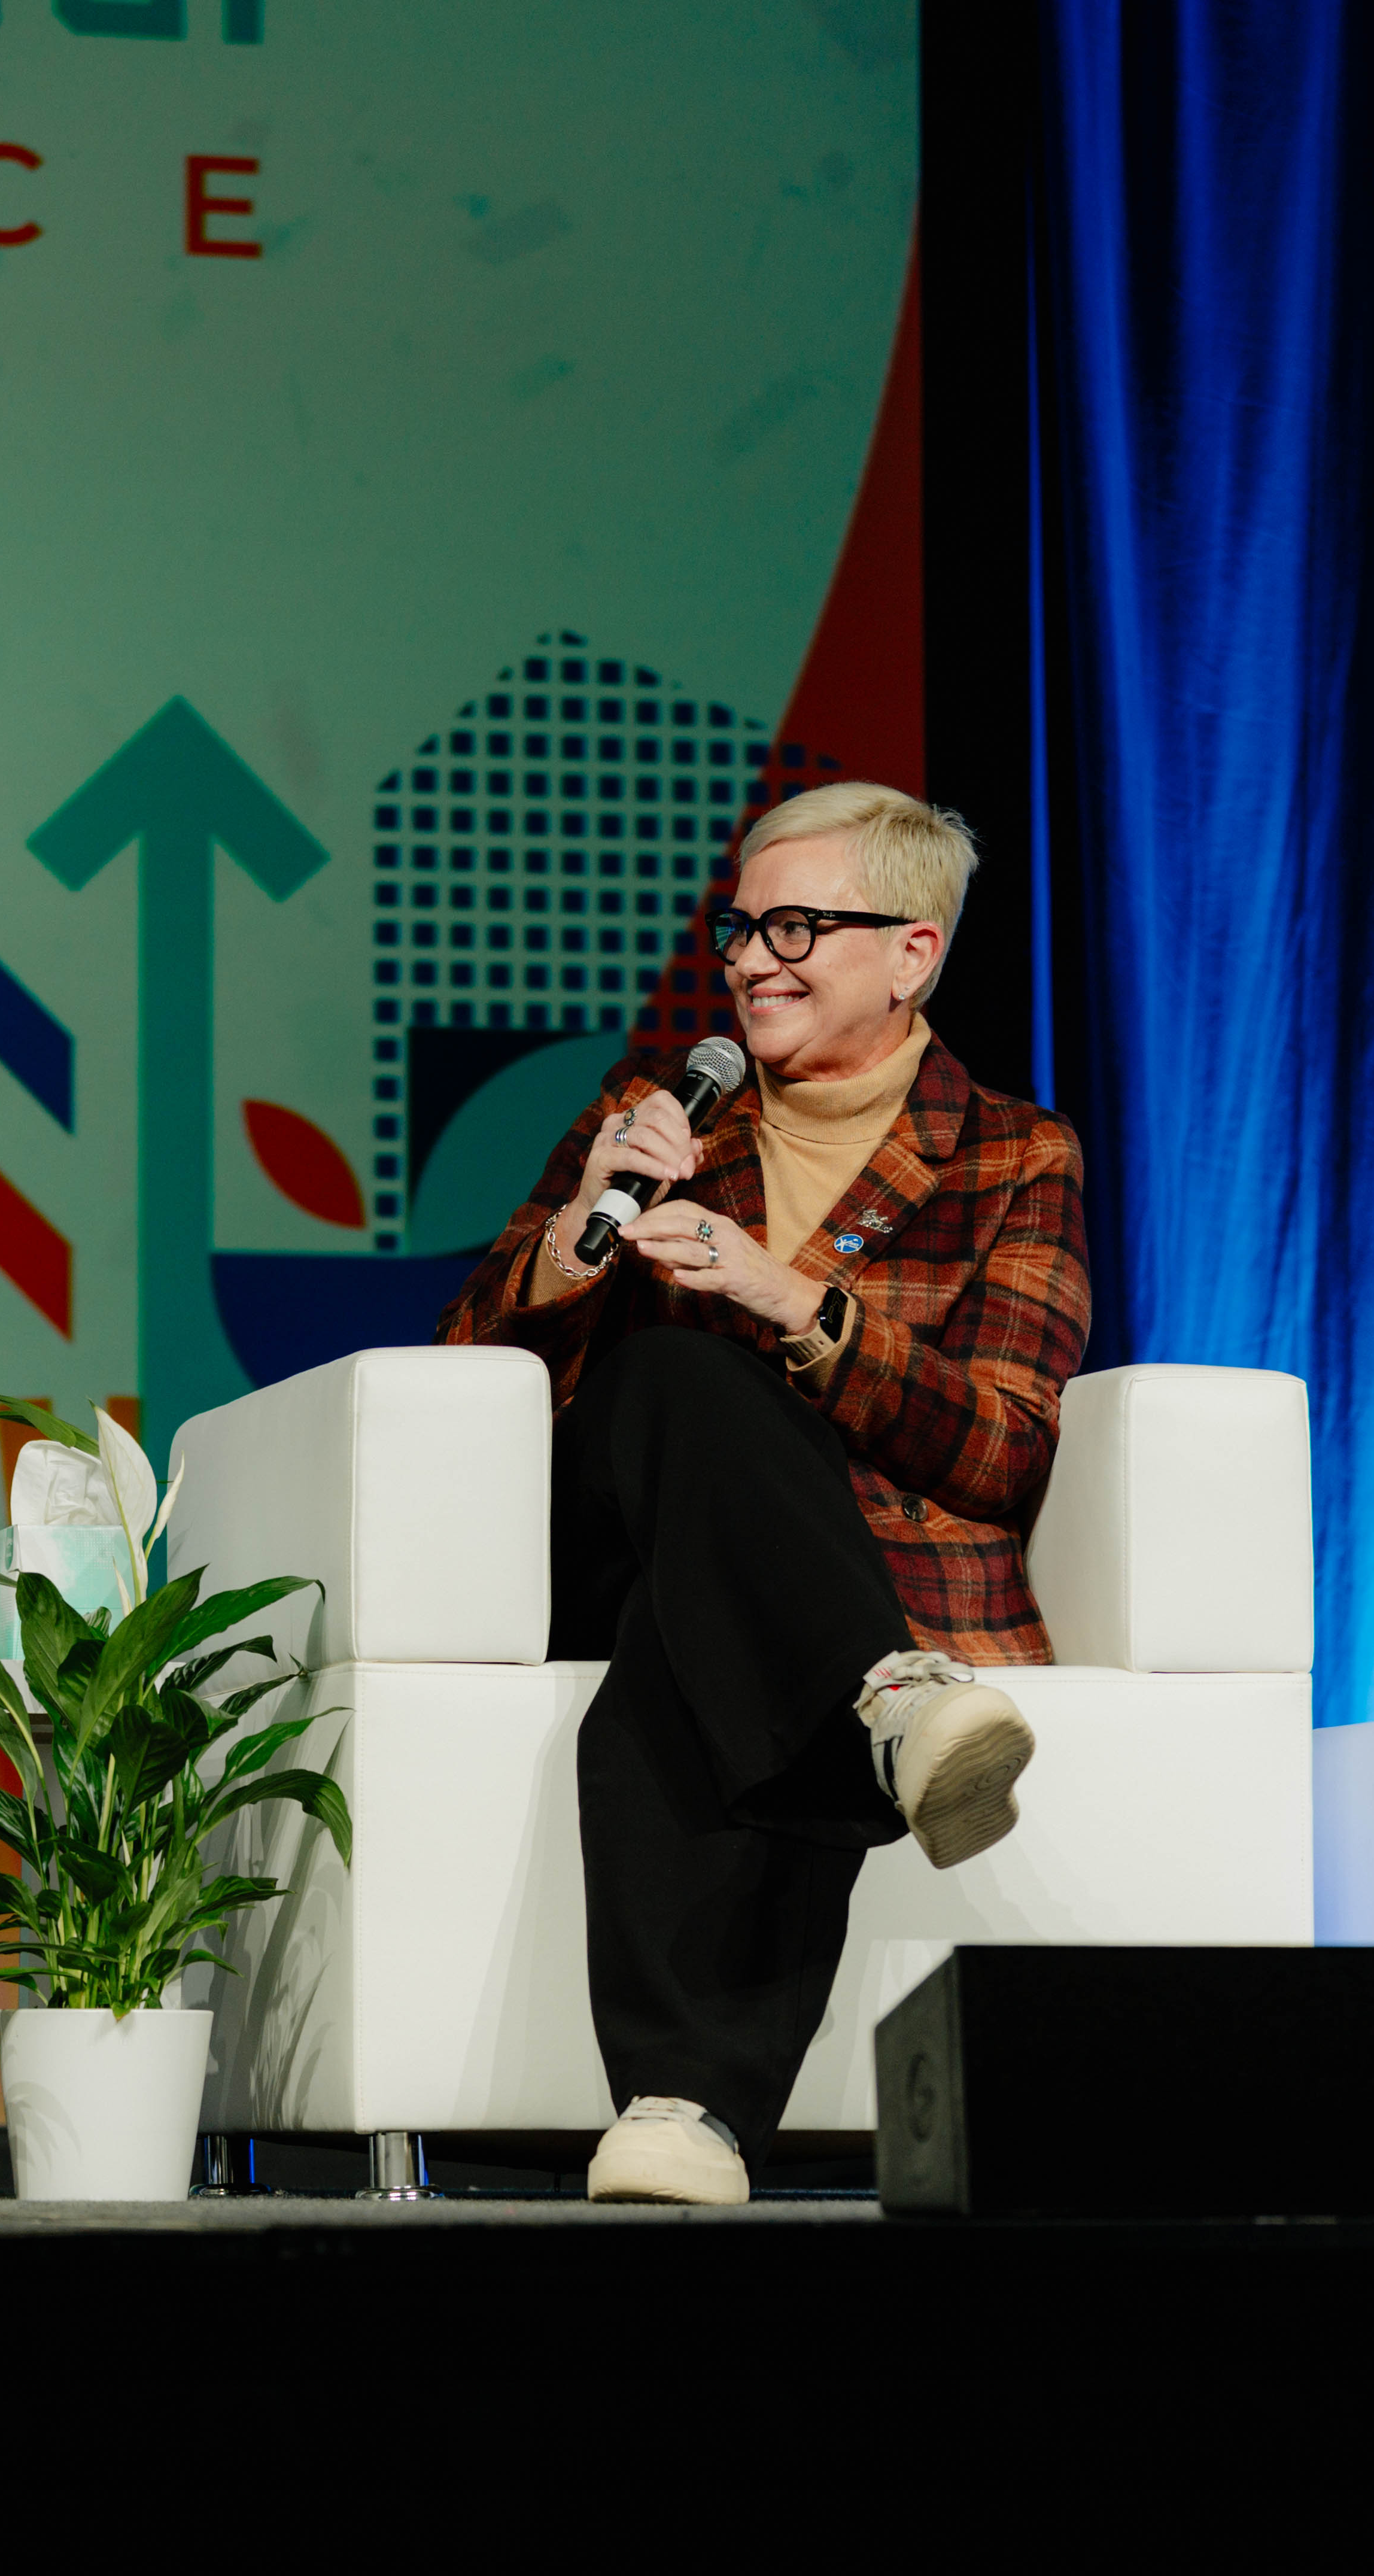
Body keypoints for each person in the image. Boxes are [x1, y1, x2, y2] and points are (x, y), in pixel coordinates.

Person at [435, 782, 1090, 2205]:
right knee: (675, 1380)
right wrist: (571, 1236)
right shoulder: (653, 1115)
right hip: (604, 1536)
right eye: (740, 924)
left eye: (797, 924)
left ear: (911, 950)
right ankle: (895, 1701)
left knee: (692, 1652)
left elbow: (1002, 1450)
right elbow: (463, 1378)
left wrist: (797, 1303)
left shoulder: (1010, 1157)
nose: (750, 958)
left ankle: (682, 2113)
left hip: (823, 1568)